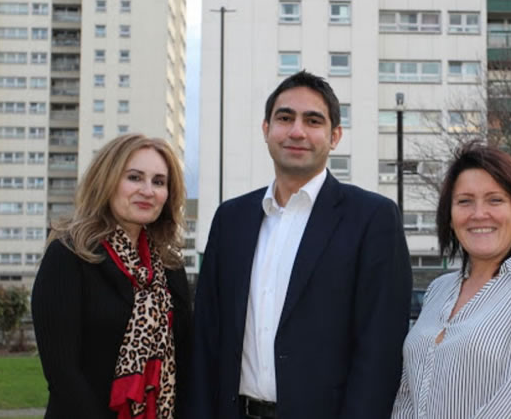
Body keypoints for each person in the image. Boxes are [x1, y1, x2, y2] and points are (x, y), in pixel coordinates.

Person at [189, 70, 412, 419]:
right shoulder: (230, 220)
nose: (297, 131)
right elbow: (205, 336)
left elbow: (380, 351)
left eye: (313, 120)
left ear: (334, 136)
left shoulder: (373, 219)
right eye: (285, 118)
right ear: (266, 130)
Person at [391, 142, 511, 419]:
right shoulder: (438, 290)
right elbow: (408, 394)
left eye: (495, 200)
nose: (479, 214)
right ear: (450, 216)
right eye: (465, 201)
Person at [32, 134, 192, 419]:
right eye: (134, 177)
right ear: (106, 181)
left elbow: (186, 361)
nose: (147, 190)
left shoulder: (170, 267)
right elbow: (62, 373)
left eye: (158, 182)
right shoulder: (69, 255)